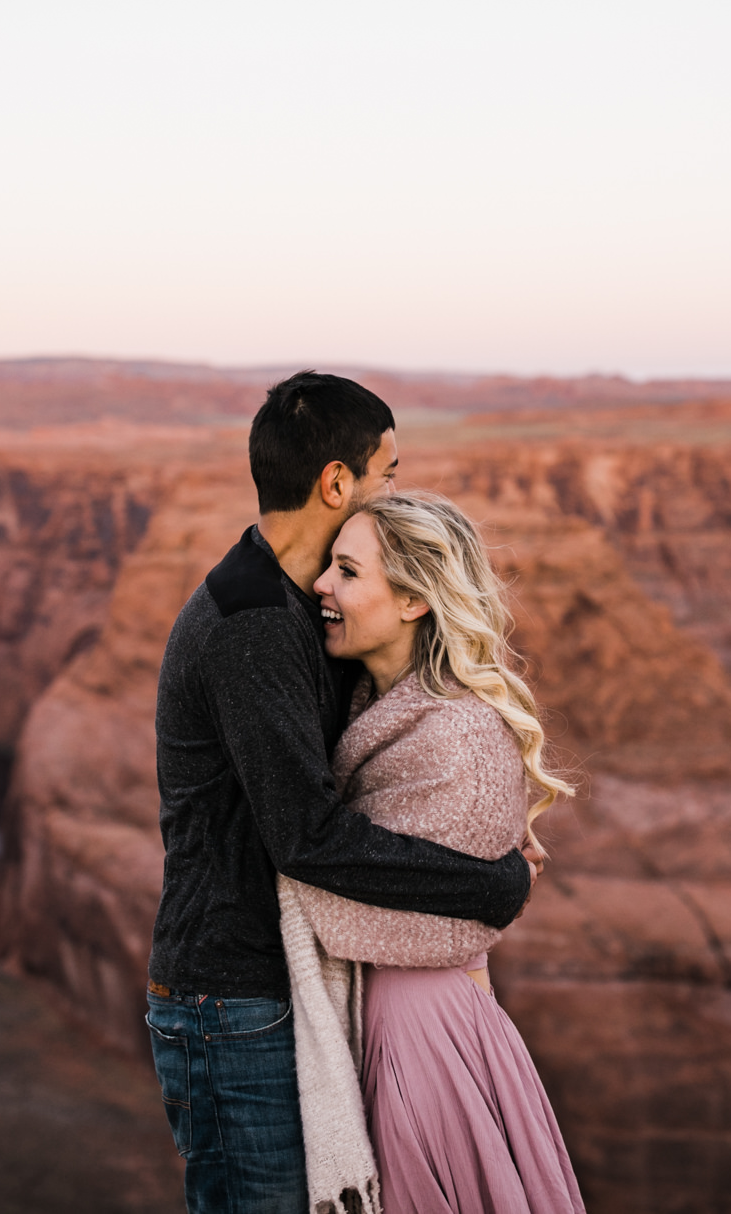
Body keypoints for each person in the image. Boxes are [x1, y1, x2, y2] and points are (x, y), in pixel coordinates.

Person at [147, 372, 544, 1214]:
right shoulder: (254, 626)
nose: (397, 488)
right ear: (337, 482)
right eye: (388, 471)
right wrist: (489, 883)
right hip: (231, 998)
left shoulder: (293, 606)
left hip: (262, 992)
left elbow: (380, 761)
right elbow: (309, 838)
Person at [282, 491, 586, 1214]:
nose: (322, 584)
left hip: (427, 1040)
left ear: (415, 599)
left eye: (348, 571)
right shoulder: (371, 705)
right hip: (408, 1021)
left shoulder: (459, 738)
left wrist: (498, 886)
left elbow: (364, 902)